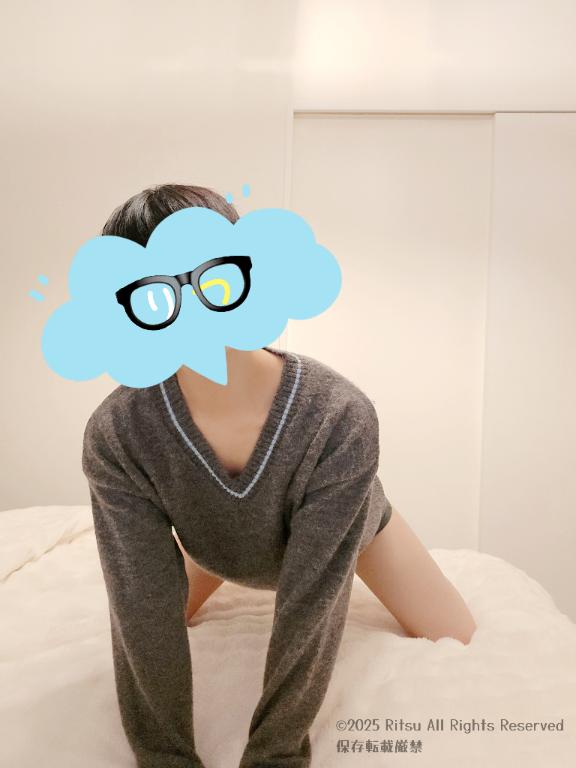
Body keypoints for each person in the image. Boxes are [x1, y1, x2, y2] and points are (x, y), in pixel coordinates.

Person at [82, 183, 476, 768]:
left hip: (349, 532)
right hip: (210, 539)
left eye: (210, 275)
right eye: (158, 290)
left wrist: (276, 755)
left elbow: (313, 601)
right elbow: (139, 605)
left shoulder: (339, 414)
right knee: (153, 629)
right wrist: (165, 758)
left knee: (458, 635)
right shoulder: (117, 433)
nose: (191, 303)